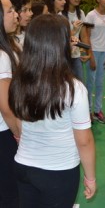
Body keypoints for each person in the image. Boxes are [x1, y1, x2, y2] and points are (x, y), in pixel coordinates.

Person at [9, 14, 96, 207]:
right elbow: (84, 141)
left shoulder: (19, 81)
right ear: (62, 44)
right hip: (59, 172)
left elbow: (18, 122)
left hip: (23, 166)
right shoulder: (73, 88)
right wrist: (90, 178)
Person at [0, 0, 20, 207]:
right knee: (9, 193)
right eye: (10, 11)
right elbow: (5, 107)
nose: (15, 15)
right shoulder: (2, 56)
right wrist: (20, 135)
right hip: (2, 134)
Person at [62, 0, 90, 82]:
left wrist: (88, 52)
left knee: (80, 84)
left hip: (76, 56)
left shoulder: (81, 13)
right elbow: (61, 37)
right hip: (63, 57)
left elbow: (84, 35)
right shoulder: (60, 14)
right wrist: (73, 31)